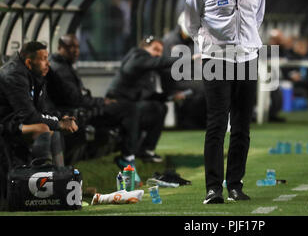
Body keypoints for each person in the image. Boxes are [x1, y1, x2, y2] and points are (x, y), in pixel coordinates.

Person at [185, 0, 266, 204]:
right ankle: (212, 188)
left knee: (242, 126)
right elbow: (190, 22)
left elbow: (257, 18)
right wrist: (208, 45)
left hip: (247, 59)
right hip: (216, 60)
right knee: (217, 124)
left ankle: (235, 185)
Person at [47, 35, 142, 179]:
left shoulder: (64, 65)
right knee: (128, 109)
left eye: (77, 47)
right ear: (60, 48)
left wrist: (101, 101)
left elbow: (78, 96)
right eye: (70, 47)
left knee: (127, 109)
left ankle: (126, 155)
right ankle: (127, 158)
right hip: (80, 113)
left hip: (84, 109)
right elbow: (75, 99)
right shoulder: (59, 68)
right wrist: (101, 102)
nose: (76, 51)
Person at [106, 36, 186, 164]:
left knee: (158, 107)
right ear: (144, 48)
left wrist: (169, 96)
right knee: (148, 109)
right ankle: (128, 156)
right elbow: (159, 63)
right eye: (155, 49)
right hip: (118, 106)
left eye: (160, 51)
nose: (158, 55)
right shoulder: (137, 57)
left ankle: (145, 151)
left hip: (130, 105)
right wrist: (185, 58)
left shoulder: (146, 70)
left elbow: (147, 95)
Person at [0, 41, 78, 167]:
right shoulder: (13, 76)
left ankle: (59, 179)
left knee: (54, 131)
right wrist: (58, 124)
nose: (48, 63)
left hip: (16, 122)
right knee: (43, 129)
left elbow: (42, 110)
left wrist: (60, 118)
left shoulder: (35, 76)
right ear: (29, 63)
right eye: (43, 59)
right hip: (5, 124)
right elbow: (29, 117)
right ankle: (39, 179)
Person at [162, 12, 207, 129]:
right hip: (173, 80)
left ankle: (200, 122)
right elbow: (172, 65)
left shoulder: (187, 40)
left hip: (185, 77)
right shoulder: (172, 40)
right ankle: (191, 123)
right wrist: (192, 59)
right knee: (202, 86)